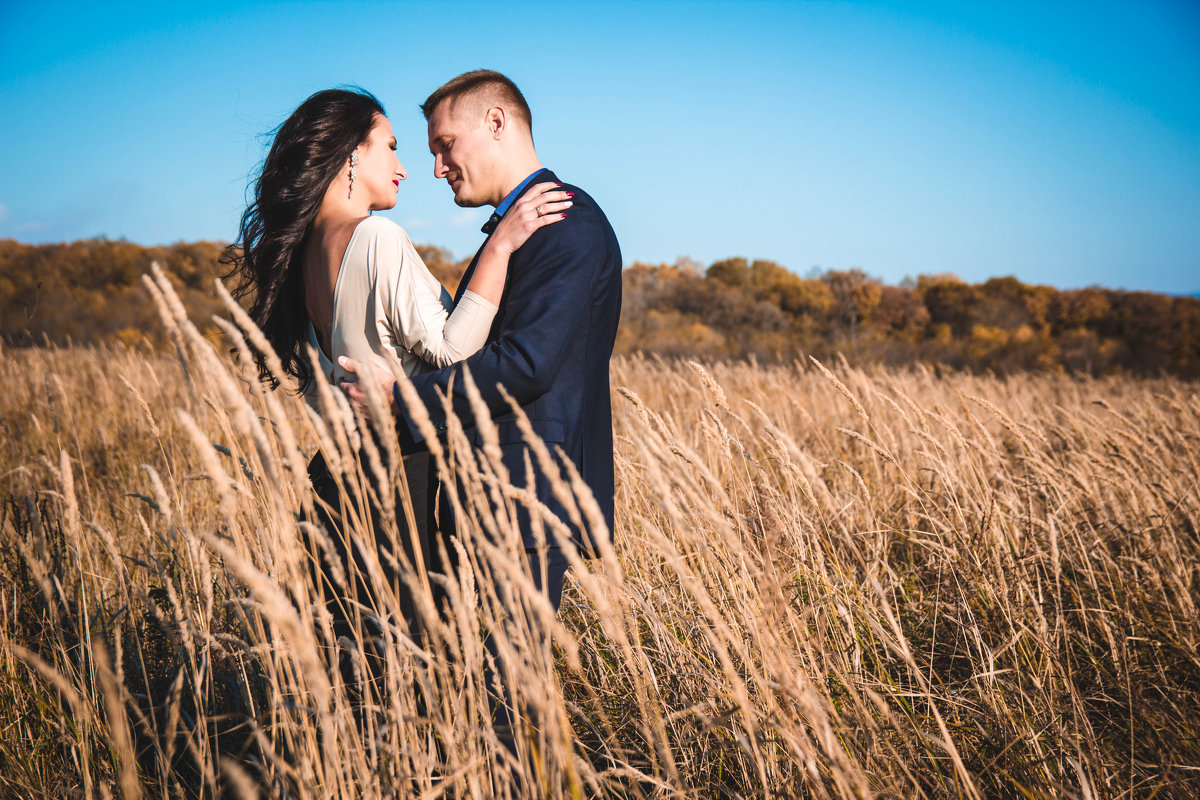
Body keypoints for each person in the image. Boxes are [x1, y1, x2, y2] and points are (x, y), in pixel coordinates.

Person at [221, 87, 571, 690]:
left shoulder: (302, 259)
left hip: (334, 482)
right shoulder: (376, 239)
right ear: (348, 156)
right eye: (390, 147)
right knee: (421, 671)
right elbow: (452, 351)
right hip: (403, 481)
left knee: (363, 669)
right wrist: (503, 243)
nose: (407, 166)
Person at [339, 70, 622, 614]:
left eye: (445, 147)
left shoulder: (565, 222)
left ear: (496, 122)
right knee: (489, 682)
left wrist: (400, 399)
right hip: (494, 491)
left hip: (533, 492)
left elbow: (527, 363)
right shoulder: (516, 228)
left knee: (516, 682)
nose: (437, 168)